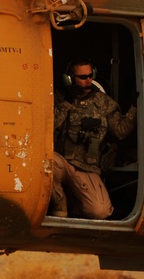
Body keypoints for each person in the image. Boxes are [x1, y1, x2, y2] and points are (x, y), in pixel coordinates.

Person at [52, 58, 136, 219]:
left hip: (87, 168)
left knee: (100, 212)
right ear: (69, 79)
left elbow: (121, 131)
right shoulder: (59, 98)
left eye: (90, 76)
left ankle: (76, 204)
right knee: (44, 161)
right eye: (83, 77)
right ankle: (60, 205)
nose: (88, 80)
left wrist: (135, 105)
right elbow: (49, 124)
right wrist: (67, 102)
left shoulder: (103, 102)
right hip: (61, 163)